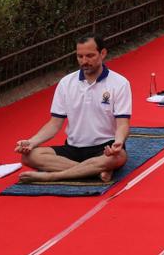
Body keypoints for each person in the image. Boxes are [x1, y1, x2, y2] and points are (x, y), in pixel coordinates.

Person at [14, 35, 131, 184]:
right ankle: (94, 172)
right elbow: (54, 124)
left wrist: (119, 142)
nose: (84, 61)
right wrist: (31, 142)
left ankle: (52, 176)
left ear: (103, 54)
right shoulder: (66, 83)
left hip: (104, 149)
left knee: (120, 156)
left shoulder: (120, 83)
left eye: (90, 56)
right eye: (80, 56)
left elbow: (123, 124)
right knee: (29, 156)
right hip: (72, 149)